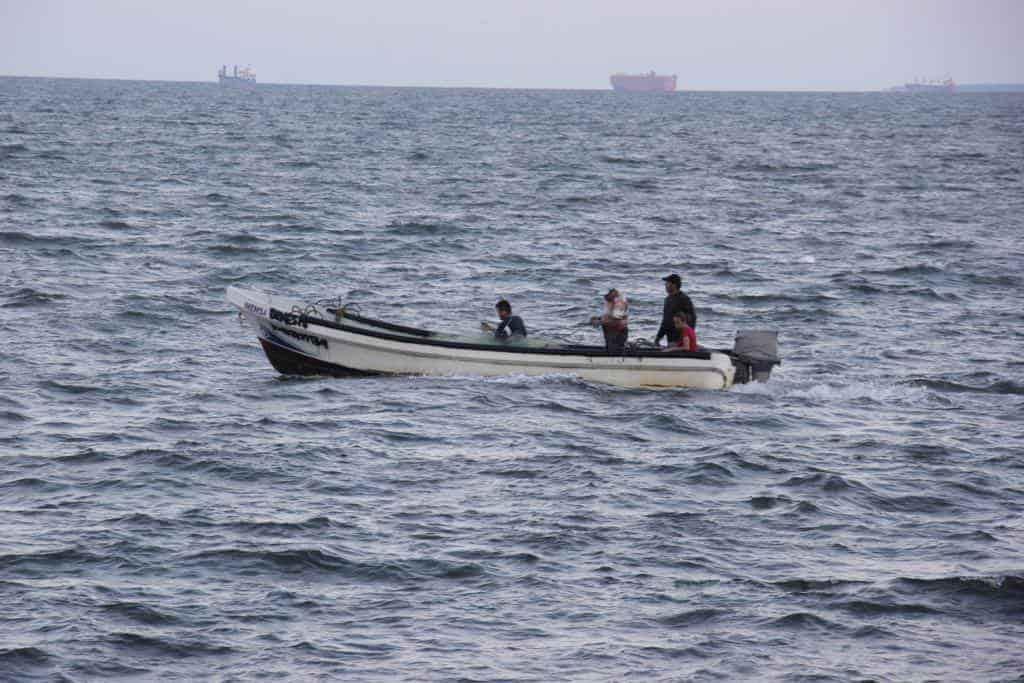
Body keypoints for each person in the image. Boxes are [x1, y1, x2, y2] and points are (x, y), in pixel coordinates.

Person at [654, 273, 696, 347]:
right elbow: (665, 321)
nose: (665, 286)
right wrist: (658, 337)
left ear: (674, 285)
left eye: (667, 283)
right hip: (670, 338)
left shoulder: (684, 299)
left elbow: (692, 319)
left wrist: (686, 337)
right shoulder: (667, 300)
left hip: (680, 339)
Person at [590, 288, 629, 352]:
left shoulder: (619, 302)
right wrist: (598, 318)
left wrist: (599, 322)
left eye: (606, 295)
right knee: (610, 349)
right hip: (610, 331)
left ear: (611, 293)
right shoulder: (609, 300)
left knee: (615, 351)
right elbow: (609, 315)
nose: (604, 297)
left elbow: (616, 321)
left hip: (617, 333)